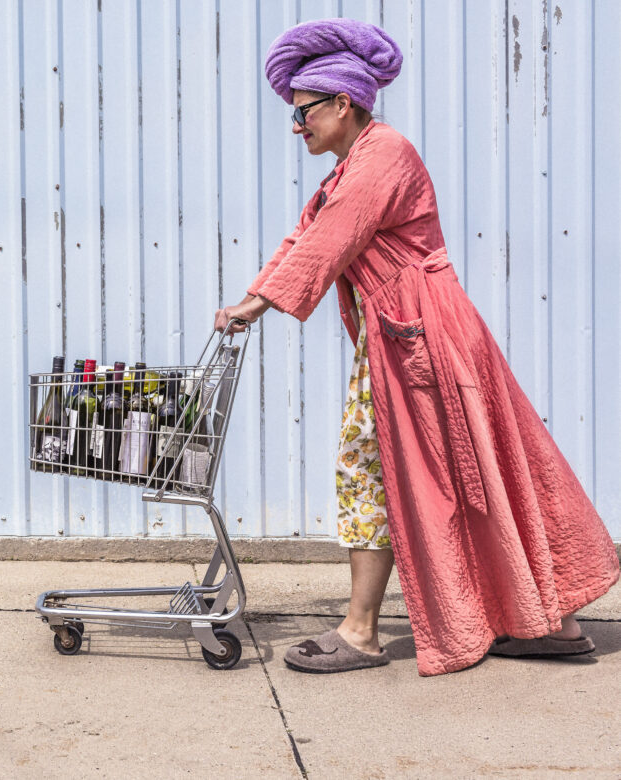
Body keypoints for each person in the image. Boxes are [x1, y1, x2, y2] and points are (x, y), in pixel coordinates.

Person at [214, 18, 619, 676]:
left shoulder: (384, 156)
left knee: (368, 471)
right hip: (412, 338)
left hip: (420, 343)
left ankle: (363, 630)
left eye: (304, 112)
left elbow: (330, 239)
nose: (297, 127)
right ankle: (552, 621)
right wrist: (253, 296)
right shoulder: (352, 165)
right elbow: (304, 235)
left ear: (342, 103)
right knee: (478, 470)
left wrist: (257, 305)